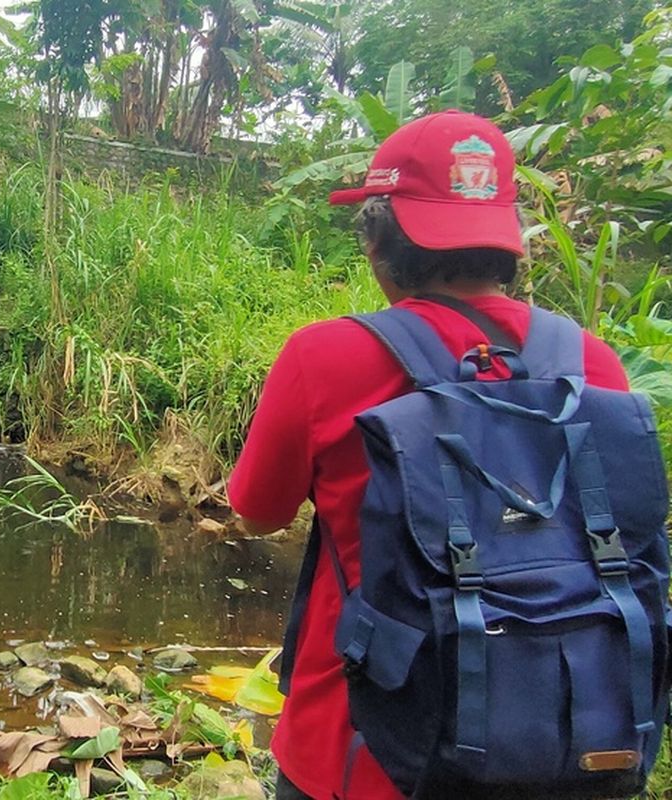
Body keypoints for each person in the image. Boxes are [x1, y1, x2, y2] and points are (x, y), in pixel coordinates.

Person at [226, 110, 631, 800]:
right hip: (555, 739)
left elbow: (256, 512)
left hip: (355, 751)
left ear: (380, 239)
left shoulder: (324, 357)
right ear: (504, 241)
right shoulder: (591, 363)